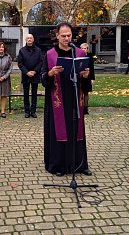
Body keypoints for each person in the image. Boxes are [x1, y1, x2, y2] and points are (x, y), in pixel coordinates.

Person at [41, 22, 91, 177]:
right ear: (57, 36)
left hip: (75, 98)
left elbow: (88, 81)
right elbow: (43, 79)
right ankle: (58, 166)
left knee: (77, 131)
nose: (66, 38)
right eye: (63, 36)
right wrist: (50, 73)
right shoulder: (50, 55)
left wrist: (86, 76)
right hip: (57, 101)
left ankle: (80, 165)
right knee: (59, 132)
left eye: (69, 35)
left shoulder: (80, 53)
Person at [17, 34, 42, 118]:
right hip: (26, 75)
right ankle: (27, 111)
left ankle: (33, 111)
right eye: (28, 38)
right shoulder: (22, 51)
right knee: (26, 94)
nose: (29, 39)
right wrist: (27, 72)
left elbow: (40, 62)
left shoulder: (38, 50)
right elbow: (20, 63)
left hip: (35, 74)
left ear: (33, 39)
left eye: (30, 38)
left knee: (34, 94)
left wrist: (34, 71)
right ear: (25, 40)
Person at [80, 43, 95, 115]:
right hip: (80, 77)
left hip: (87, 77)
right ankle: (80, 107)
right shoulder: (78, 56)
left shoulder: (90, 57)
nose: (83, 50)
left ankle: (85, 108)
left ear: (87, 49)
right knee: (80, 92)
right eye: (82, 48)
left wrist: (92, 78)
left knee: (86, 93)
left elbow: (92, 68)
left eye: (85, 48)